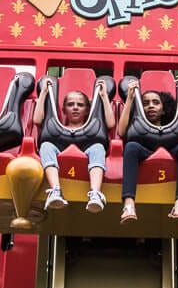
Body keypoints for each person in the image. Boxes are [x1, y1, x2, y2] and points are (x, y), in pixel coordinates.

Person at [118, 77, 178, 223]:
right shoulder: (136, 123)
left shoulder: (174, 127)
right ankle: (129, 204)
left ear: (163, 109)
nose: (150, 106)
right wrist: (130, 99)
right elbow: (122, 131)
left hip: (171, 148)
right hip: (145, 149)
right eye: (145, 103)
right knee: (131, 147)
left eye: (156, 103)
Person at [33, 80, 116, 212]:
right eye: (71, 105)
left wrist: (104, 96)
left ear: (87, 110)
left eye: (80, 105)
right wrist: (43, 93)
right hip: (61, 147)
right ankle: (55, 190)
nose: (75, 107)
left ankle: (95, 193)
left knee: (98, 148)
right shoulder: (57, 130)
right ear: (64, 110)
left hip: (87, 147)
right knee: (46, 145)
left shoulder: (93, 128)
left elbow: (111, 124)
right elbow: (37, 120)